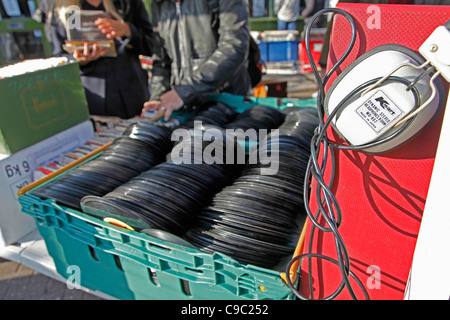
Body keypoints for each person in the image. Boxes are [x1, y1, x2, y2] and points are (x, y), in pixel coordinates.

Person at [142, 0, 251, 122]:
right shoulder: (159, 4)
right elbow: (162, 60)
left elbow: (234, 47)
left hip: (227, 105)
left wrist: (184, 91)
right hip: (184, 108)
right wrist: (158, 97)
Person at [49, 0, 154, 119]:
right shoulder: (63, 9)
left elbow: (152, 46)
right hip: (94, 98)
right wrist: (79, 59)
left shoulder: (127, 3)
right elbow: (58, 59)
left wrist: (127, 30)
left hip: (134, 90)